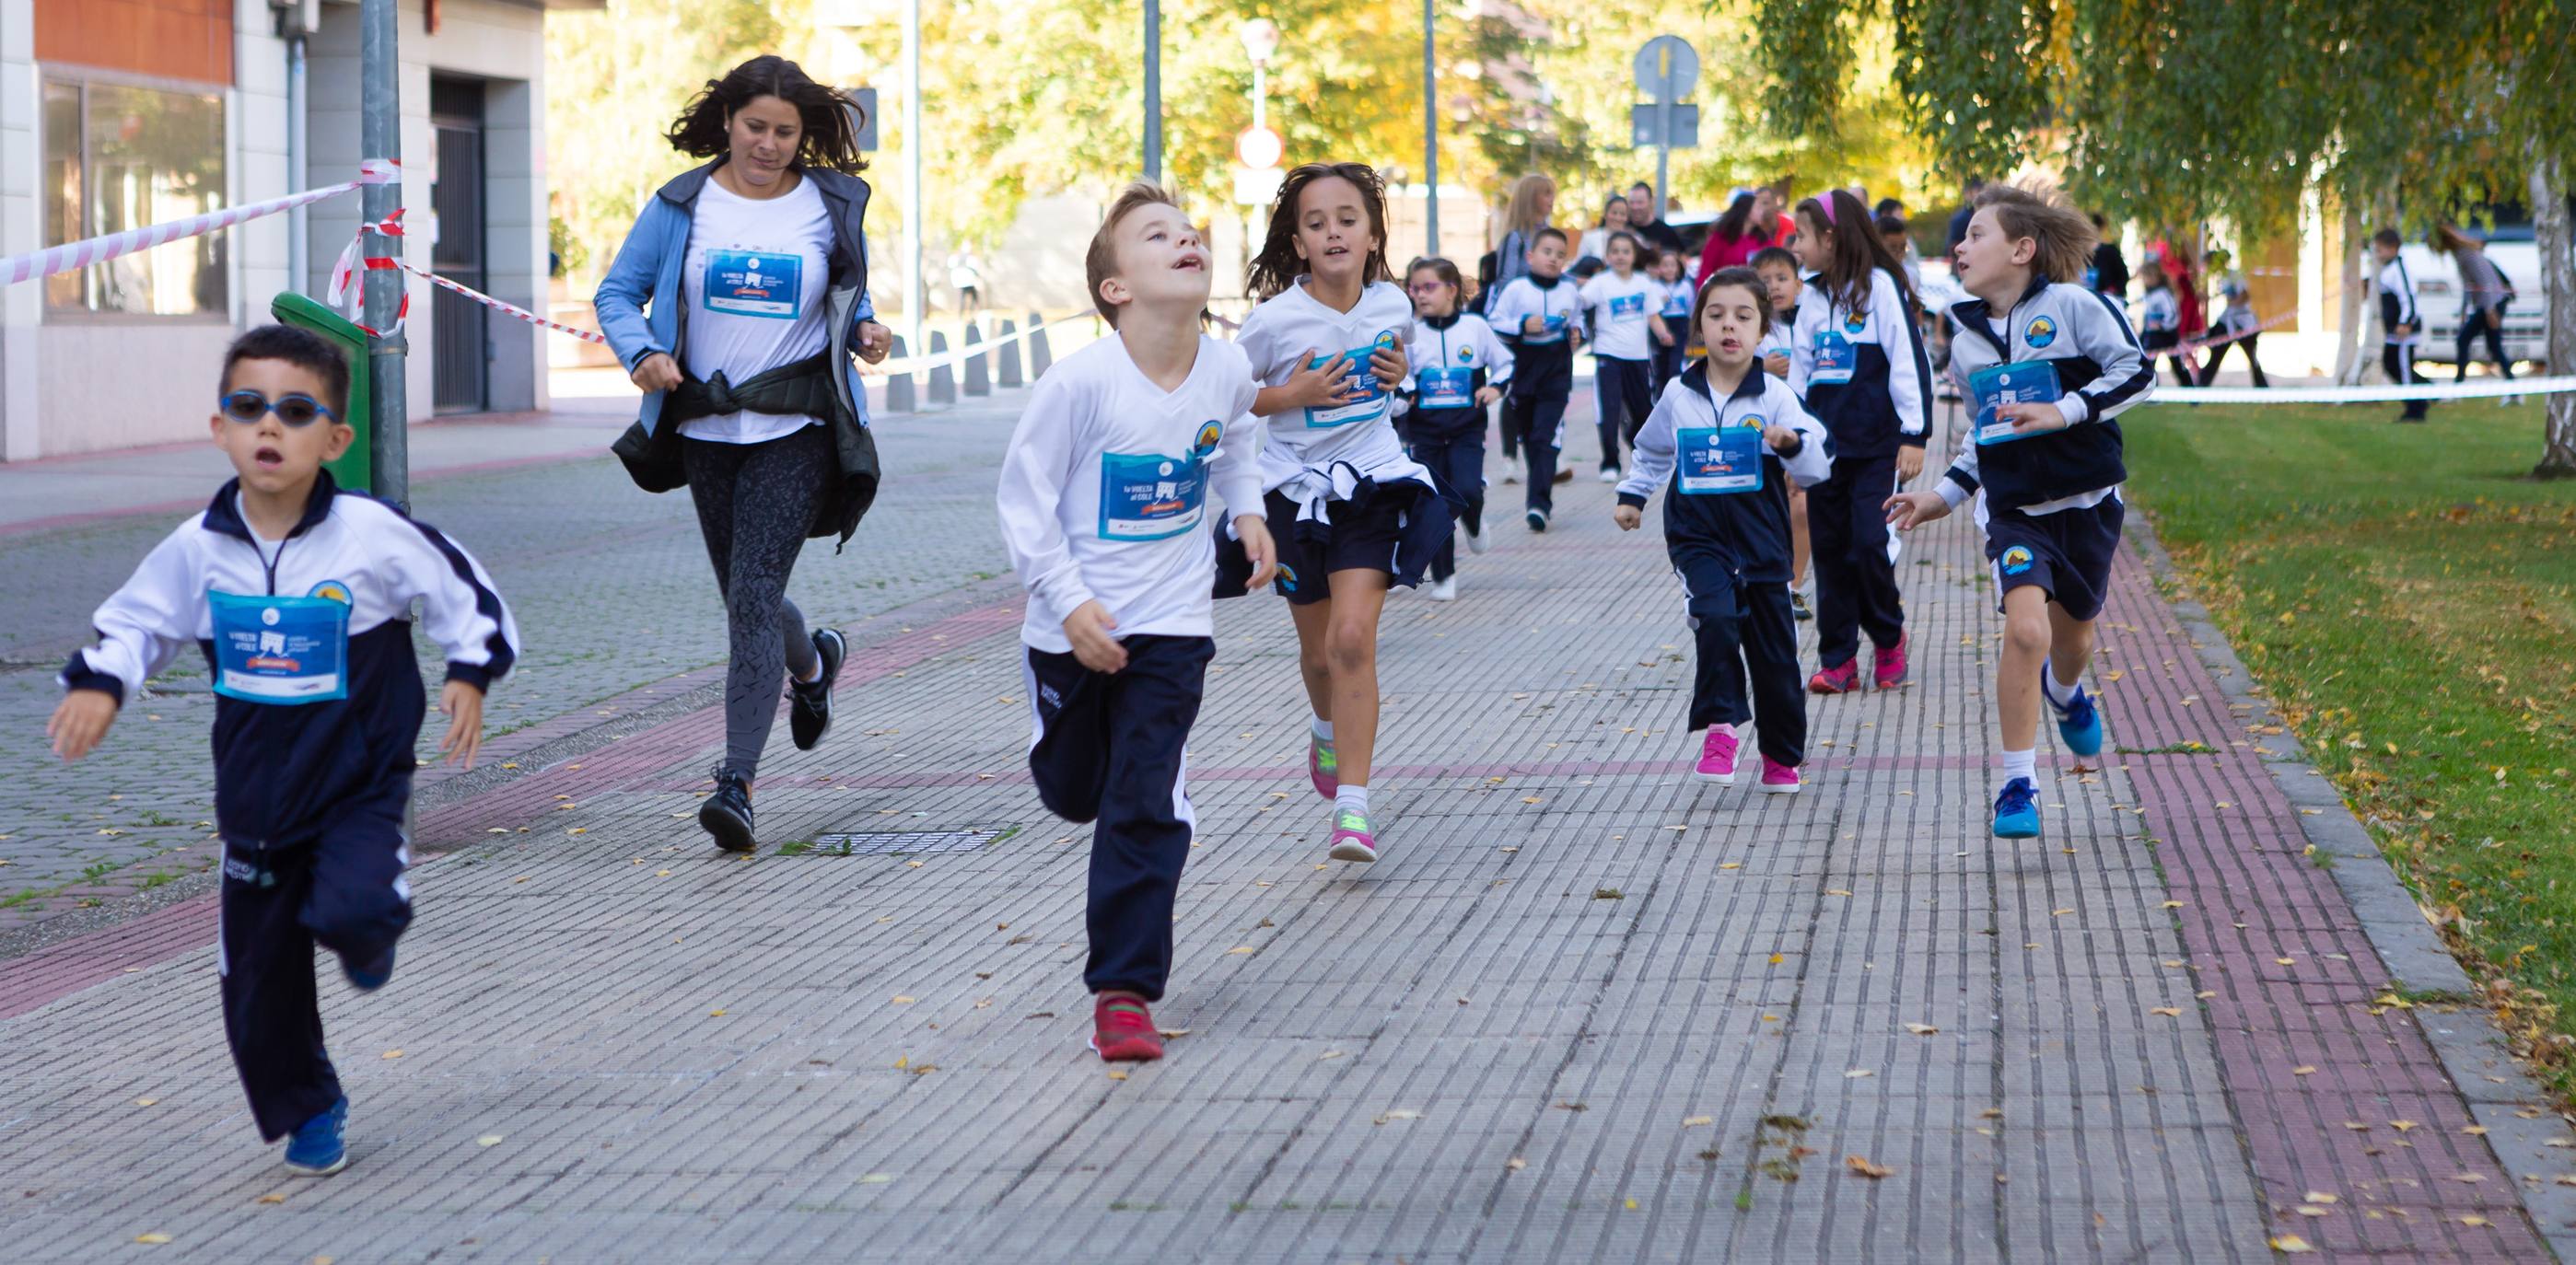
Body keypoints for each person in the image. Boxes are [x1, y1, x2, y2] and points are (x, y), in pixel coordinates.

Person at [47, 325, 519, 1177]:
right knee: (257, 986)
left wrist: (470, 670)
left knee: (353, 908)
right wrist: (99, 682)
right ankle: (310, 1106)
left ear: (334, 438)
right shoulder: (199, 549)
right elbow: (136, 622)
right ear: (220, 427)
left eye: (295, 411)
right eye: (248, 407)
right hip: (255, 806)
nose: (270, 426)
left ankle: (369, 936)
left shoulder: (369, 535)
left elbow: (460, 591)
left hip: (358, 785)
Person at [995, 185, 1276, 1062]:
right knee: (1077, 791)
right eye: (1156, 235)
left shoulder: (1226, 367)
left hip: (1173, 622)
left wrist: (1249, 514)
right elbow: (1023, 502)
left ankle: (1123, 992)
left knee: (1144, 800)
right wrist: (1069, 603)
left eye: (1188, 231)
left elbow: (1235, 442)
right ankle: (1070, 755)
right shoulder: (1079, 382)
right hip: (1070, 628)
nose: (1185, 239)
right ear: (1115, 287)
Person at [594, 54, 893, 852]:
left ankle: (736, 782)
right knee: (747, 599)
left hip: (797, 425)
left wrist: (864, 327)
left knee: (754, 594)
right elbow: (617, 295)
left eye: (785, 133)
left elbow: (847, 288)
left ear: (805, 136)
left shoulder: (828, 203)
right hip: (703, 426)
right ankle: (813, 664)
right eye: (755, 126)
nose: (768, 144)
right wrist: (640, 354)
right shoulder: (680, 204)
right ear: (726, 121)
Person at [1885, 181, 2154, 840]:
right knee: (2026, 633)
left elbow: (2136, 372)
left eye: (1976, 234)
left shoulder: (2072, 305)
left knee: (2074, 639)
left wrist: (2061, 410)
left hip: (2087, 504)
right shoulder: (1965, 336)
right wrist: (1941, 496)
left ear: (2022, 249)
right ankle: (2016, 785)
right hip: (2014, 511)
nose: (1960, 246)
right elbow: (1984, 433)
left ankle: (2066, 695)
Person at [1233, 161, 1446, 865]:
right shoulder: (1272, 322)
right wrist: (1289, 393)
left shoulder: (1391, 305)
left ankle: (1352, 807)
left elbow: (1397, 367)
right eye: (1316, 223)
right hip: (1292, 494)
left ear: (1371, 234)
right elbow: (1230, 397)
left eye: (1346, 220)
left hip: (1373, 482)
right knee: (1319, 651)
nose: (1332, 233)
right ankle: (1325, 727)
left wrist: (1398, 375)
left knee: (1352, 640)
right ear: (1297, 243)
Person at [1614, 267, 1831, 793]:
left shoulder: (1775, 396)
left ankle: (1781, 756)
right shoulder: (1677, 393)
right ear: (1699, 328)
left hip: (1762, 537)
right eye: (1715, 315)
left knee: (1774, 653)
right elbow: (1652, 450)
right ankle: (1721, 726)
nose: (1728, 326)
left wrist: (1790, 445)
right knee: (1712, 617)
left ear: (1762, 333)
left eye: (1742, 316)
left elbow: (1816, 467)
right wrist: (1632, 495)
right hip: (1697, 535)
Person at [1789, 189, 1930, 694]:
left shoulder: (1880, 288)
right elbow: (1799, 378)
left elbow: (1908, 363)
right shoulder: (1811, 296)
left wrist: (1914, 435)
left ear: (1831, 237)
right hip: (1824, 452)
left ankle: (1889, 639)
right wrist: (1792, 445)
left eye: (1802, 236)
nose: (1795, 245)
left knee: (1869, 544)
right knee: (1829, 550)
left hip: (1875, 447)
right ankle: (1839, 659)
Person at [1395, 256, 1513, 601]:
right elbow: (1403, 375)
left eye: (1428, 287)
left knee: (1467, 490)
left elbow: (1504, 363)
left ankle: (1474, 522)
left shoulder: (1475, 327)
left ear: (1452, 289)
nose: (1420, 295)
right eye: (1414, 288)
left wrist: (1495, 388)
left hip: (1466, 428)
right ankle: (1443, 574)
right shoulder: (1410, 335)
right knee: (1435, 500)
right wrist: (1409, 390)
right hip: (1425, 432)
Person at [1489, 226, 1584, 525]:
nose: (1553, 260)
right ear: (1530, 256)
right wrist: (1522, 325)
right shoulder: (1516, 289)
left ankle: (1538, 505)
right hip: (1524, 369)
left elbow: (1578, 320)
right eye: (1547, 252)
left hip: (1556, 370)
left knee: (1545, 435)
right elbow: (1494, 322)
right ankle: (1539, 488)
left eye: (1560, 255)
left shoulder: (1569, 290)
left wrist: (1576, 333)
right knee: (1530, 436)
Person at [1753, 245, 1815, 621]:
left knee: (1802, 508)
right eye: (1764, 280)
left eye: (1782, 278)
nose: (1774, 287)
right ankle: (1765, 583)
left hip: (1802, 433)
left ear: (1798, 284)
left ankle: (1793, 587)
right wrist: (1760, 367)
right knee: (1765, 514)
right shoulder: (1752, 328)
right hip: (1759, 437)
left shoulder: (1811, 322)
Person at [1579, 231, 1670, 481]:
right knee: (1610, 410)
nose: (1620, 256)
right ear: (1607, 256)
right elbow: (1581, 301)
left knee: (1642, 410)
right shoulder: (1600, 282)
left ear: (1634, 256)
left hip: (1638, 357)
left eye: (1625, 251)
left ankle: (1640, 451)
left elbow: (1653, 315)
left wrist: (1663, 334)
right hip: (1608, 354)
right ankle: (1609, 462)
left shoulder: (1643, 283)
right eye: (1615, 251)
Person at [1486, 173, 1556, 465]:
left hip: (1544, 326)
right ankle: (1509, 456)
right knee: (1515, 387)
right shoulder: (1515, 237)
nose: (1551, 200)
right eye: (1546, 194)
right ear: (1532, 198)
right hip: (1517, 324)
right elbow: (1504, 280)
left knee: (1542, 390)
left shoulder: (1547, 233)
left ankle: (1539, 452)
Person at [2438, 225, 2518, 385]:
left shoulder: (2466, 254)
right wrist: (2464, 310)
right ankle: (2512, 384)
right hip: (2489, 303)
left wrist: (2490, 311)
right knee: (2493, 346)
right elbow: (2469, 286)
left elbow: (2485, 282)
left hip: (2492, 303)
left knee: (2464, 340)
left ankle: (2459, 384)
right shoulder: (2461, 253)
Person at [2372, 228, 2431, 422]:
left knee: (2403, 369)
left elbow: (2409, 299)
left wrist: (2405, 323)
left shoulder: (2400, 270)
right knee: (2390, 364)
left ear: (2393, 248)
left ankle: (2415, 410)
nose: (2377, 254)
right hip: (2393, 331)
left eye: (2380, 250)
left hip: (2404, 330)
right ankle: (2427, 390)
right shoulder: (2388, 271)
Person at [2197, 276, 2269, 387]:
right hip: (2228, 323)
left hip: (2244, 324)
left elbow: (2245, 296)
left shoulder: (2236, 277)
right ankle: (2200, 387)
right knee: (2215, 357)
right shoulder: (2222, 279)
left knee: (2252, 358)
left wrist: (2232, 301)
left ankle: (2263, 388)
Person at [2134, 260, 2196, 387]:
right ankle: (2152, 392)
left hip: (2166, 335)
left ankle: (2190, 392)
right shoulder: (2149, 294)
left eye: (2146, 277)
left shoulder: (2163, 293)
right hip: (2152, 335)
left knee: (2177, 365)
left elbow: (2173, 315)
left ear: (2153, 277)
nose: (2144, 280)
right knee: (2149, 364)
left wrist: (2162, 325)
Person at [1649, 246, 1693, 394]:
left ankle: (1676, 393)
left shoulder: (1685, 286)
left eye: (1672, 265)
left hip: (1680, 325)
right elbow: (1651, 309)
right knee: (1660, 364)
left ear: (1678, 267)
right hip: (1660, 323)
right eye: (1665, 265)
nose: (1669, 269)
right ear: (1659, 268)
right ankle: (1660, 394)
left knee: (1675, 364)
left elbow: (1691, 307)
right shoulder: (1654, 286)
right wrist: (1660, 301)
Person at [1627, 181, 1686, 256]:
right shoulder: (1623, 228)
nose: (1635, 207)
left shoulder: (1667, 233)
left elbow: (1683, 260)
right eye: (1631, 202)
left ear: (1651, 202)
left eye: (1640, 202)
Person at [1577, 194, 1632, 267]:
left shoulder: (1633, 240)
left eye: (1622, 214)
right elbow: (1578, 268)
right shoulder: (1590, 237)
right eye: (1614, 213)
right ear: (1605, 214)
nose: (1618, 218)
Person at [2085, 213, 2129, 299]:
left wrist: (2111, 291)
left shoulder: (2110, 252)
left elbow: (2123, 276)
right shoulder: (2076, 254)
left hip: (2107, 301)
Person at [1944, 177, 1987, 260]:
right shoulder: (1960, 219)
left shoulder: (1985, 215)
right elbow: (1952, 248)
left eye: (1980, 191)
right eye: (1976, 191)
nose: (1978, 195)